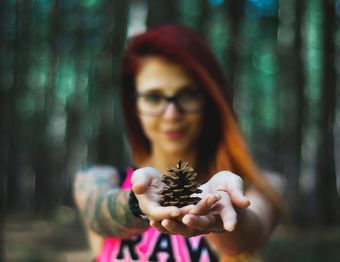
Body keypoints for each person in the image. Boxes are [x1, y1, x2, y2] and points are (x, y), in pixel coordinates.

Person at [73, 24, 285, 262]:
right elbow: (99, 211)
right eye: (154, 97)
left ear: (210, 100)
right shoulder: (98, 179)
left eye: (188, 94)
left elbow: (246, 237)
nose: (172, 114)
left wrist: (228, 211)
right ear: (135, 107)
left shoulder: (259, 187)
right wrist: (138, 203)